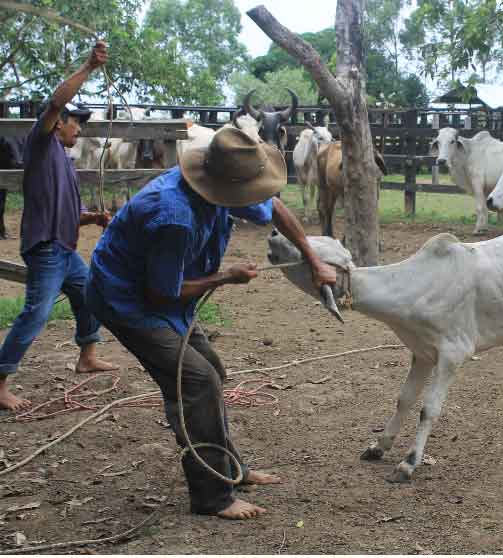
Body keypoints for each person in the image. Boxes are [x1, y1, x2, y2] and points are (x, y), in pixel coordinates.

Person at [85, 126, 337, 520]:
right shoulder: (173, 216)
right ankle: (211, 496)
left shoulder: (219, 186)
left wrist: (313, 258)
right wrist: (225, 277)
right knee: (197, 382)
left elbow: (274, 207)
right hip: (128, 301)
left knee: (209, 373)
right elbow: (160, 295)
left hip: (168, 293)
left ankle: (229, 468)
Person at [0, 41, 117, 412]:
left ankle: (87, 355)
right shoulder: (40, 141)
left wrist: (93, 218)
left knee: (88, 295)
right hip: (47, 248)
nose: (78, 130)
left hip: (63, 249)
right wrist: (87, 66)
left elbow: (68, 211)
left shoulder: (64, 161)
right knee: (36, 312)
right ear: (58, 123)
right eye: (75, 122)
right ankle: (0, 379)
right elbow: (54, 102)